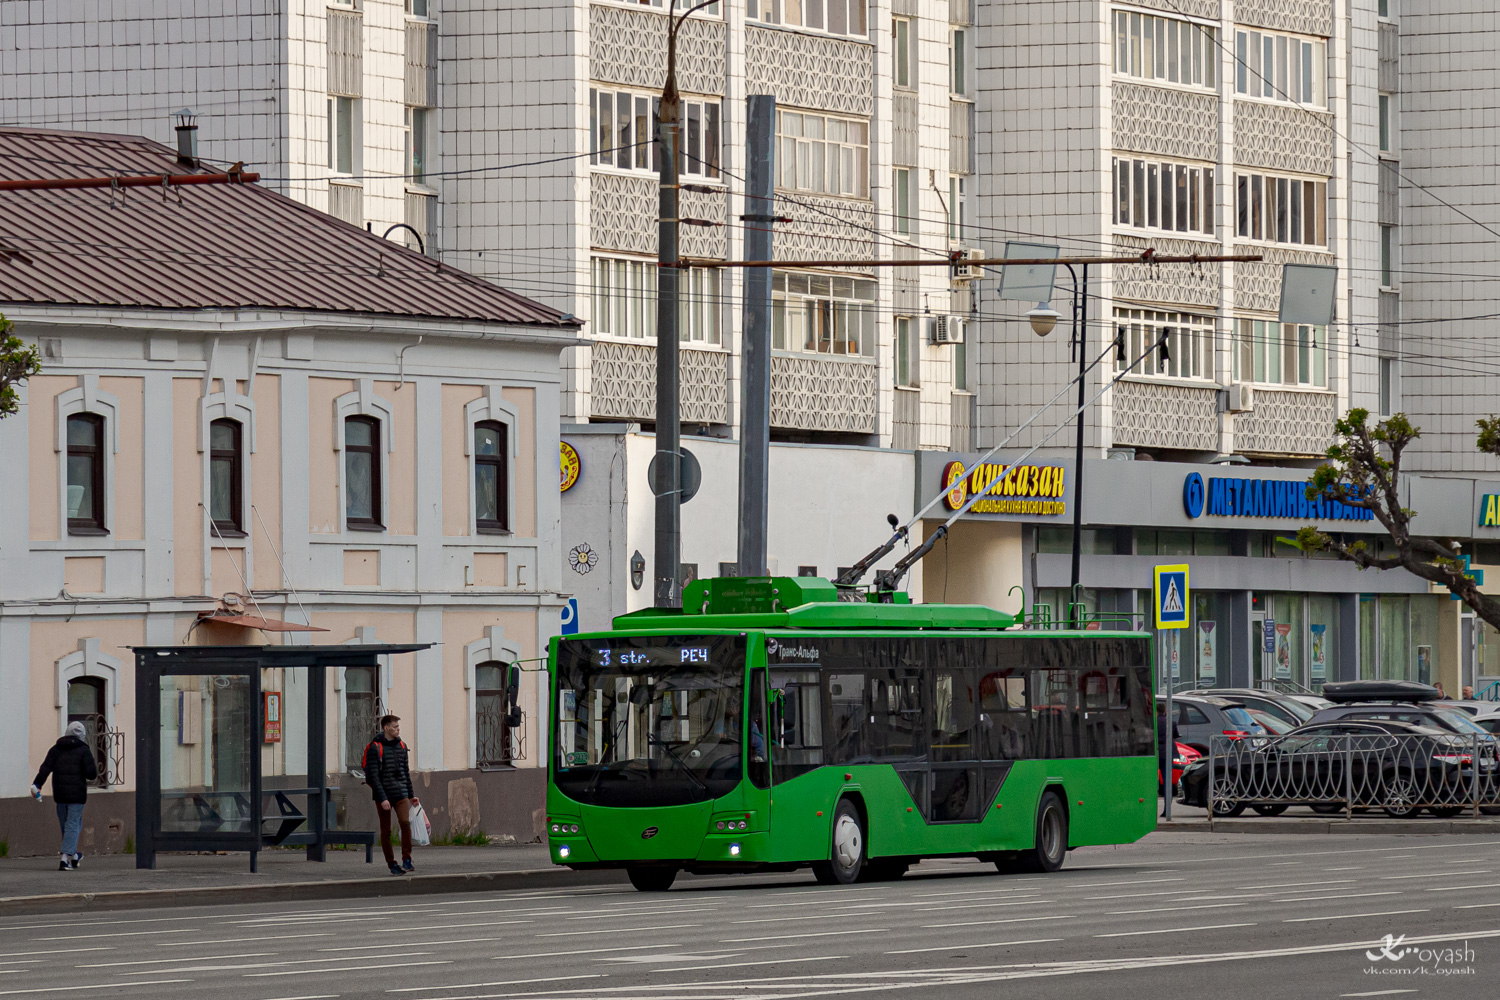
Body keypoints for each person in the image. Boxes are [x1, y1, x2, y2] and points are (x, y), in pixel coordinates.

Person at [31, 721, 98, 871]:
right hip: (77, 795)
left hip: (60, 794)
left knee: (67, 825)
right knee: (73, 825)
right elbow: (91, 774)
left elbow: (45, 769)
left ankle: (74, 856)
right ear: (82, 735)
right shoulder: (83, 750)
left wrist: (37, 784)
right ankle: (64, 859)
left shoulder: (55, 749)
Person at [364, 714, 416, 876]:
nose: (398, 730)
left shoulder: (401, 746)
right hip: (384, 795)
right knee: (386, 831)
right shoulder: (375, 747)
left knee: (405, 823)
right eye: (395, 727)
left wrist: (411, 795)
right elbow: (373, 776)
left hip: (400, 792)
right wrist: (382, 798)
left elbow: (405, 773)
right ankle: (391, 863)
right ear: (386, 728)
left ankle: (407, 859)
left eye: (398, 727)